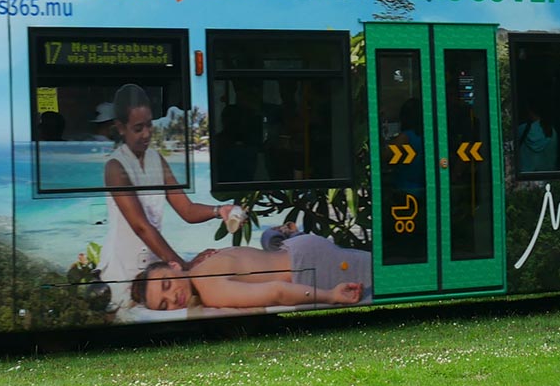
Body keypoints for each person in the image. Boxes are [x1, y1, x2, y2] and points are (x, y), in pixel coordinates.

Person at [103, 83, 239, 287]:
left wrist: (219, 210)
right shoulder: (115, 167)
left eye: (149, 125)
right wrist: (183, 266)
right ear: (121, 128)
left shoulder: (156, 160)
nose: (146, 134)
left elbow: (187, 209)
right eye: (138, 128)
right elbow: (141, 227)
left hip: (155, 265)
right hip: (122, 269)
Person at [129, 247, 367, 312]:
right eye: (164, 305)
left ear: (173, 266)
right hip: (303, 252)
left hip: (310, 269)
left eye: (167, 285)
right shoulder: (206, 260)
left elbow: (276, 292)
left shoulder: (209, 289)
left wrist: (330, 295)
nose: (172, 298)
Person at [515, 103, 558, 174]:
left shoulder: (521, 130)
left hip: (524, 175)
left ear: (530, 112)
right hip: (548, 174)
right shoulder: (552, 131)